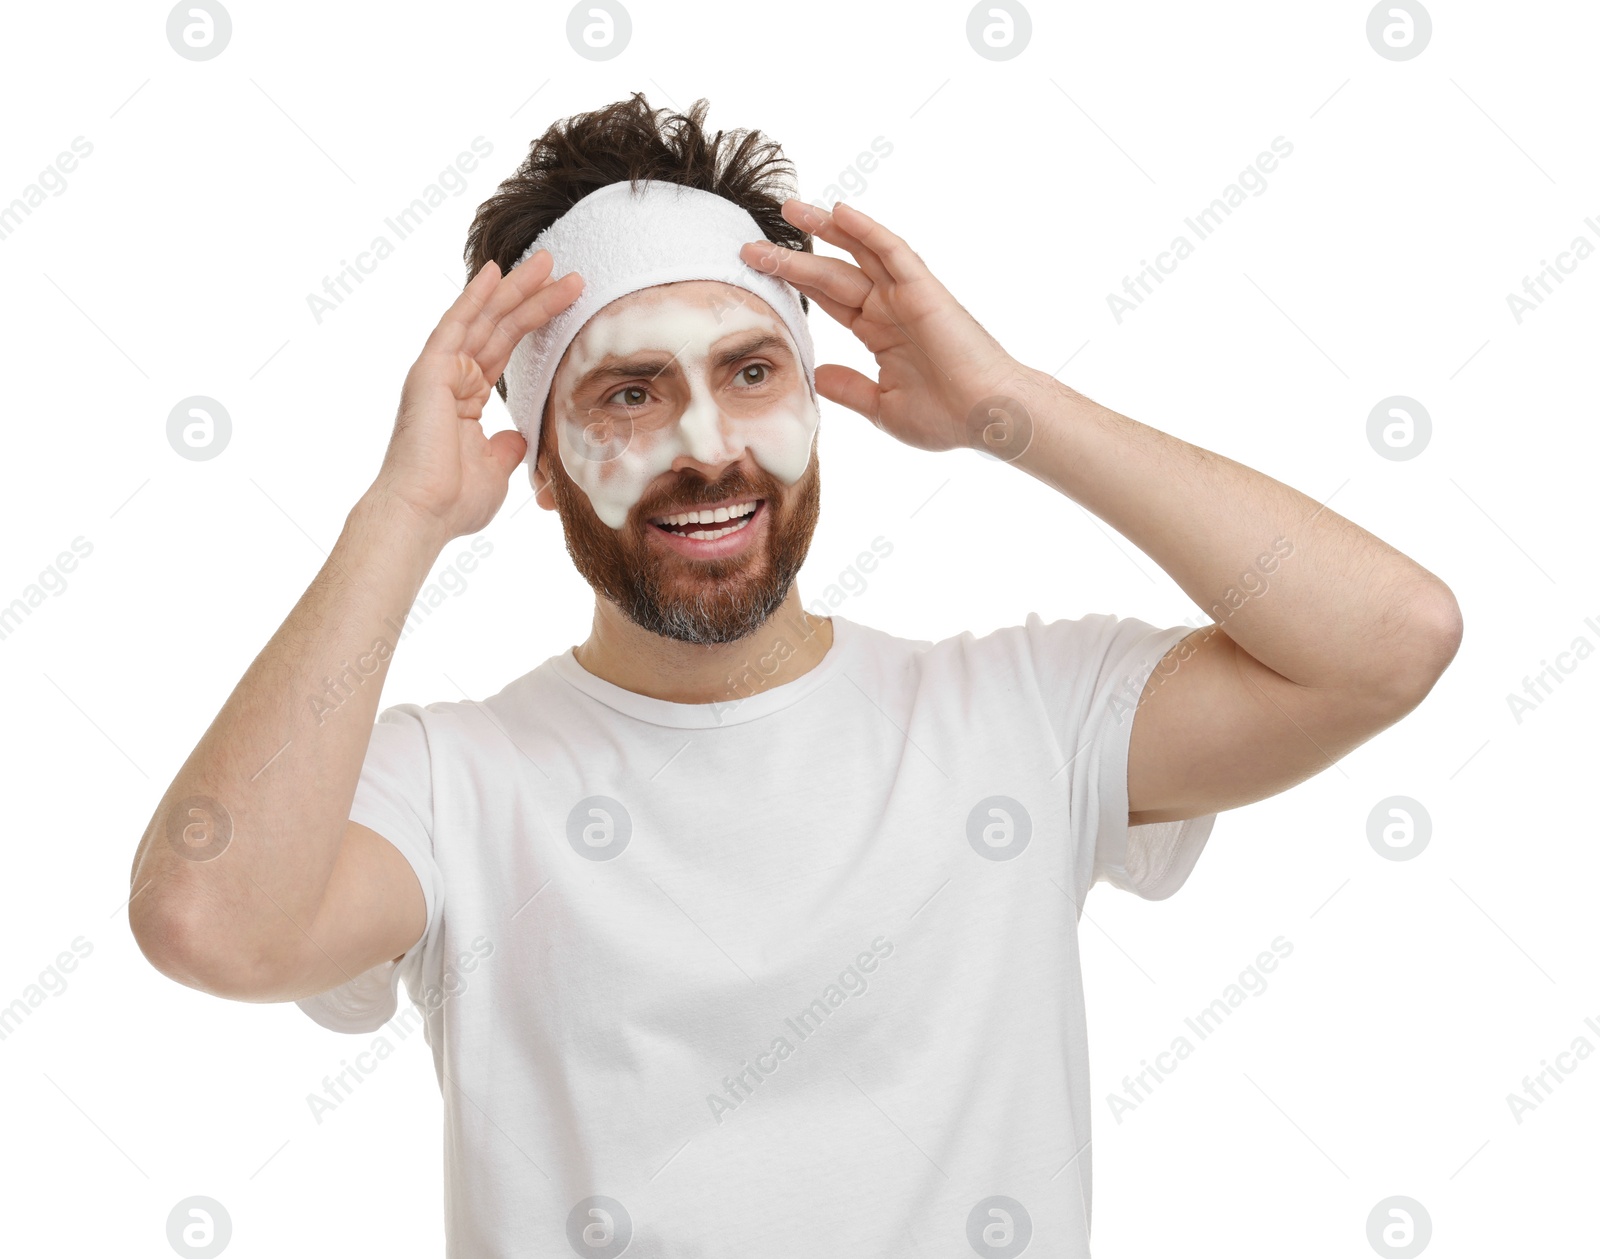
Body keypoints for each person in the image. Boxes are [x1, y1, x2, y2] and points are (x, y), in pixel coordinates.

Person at [127, 93, 1462, 1257]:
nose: (710, 446)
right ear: (539, 458)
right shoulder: (450, 786)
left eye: (751, 370)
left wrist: (1011, 409)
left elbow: (1393, 638)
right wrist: (401, 514)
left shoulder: (1026, 720)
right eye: (630, 395)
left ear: (815, 403)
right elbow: (211, 923)